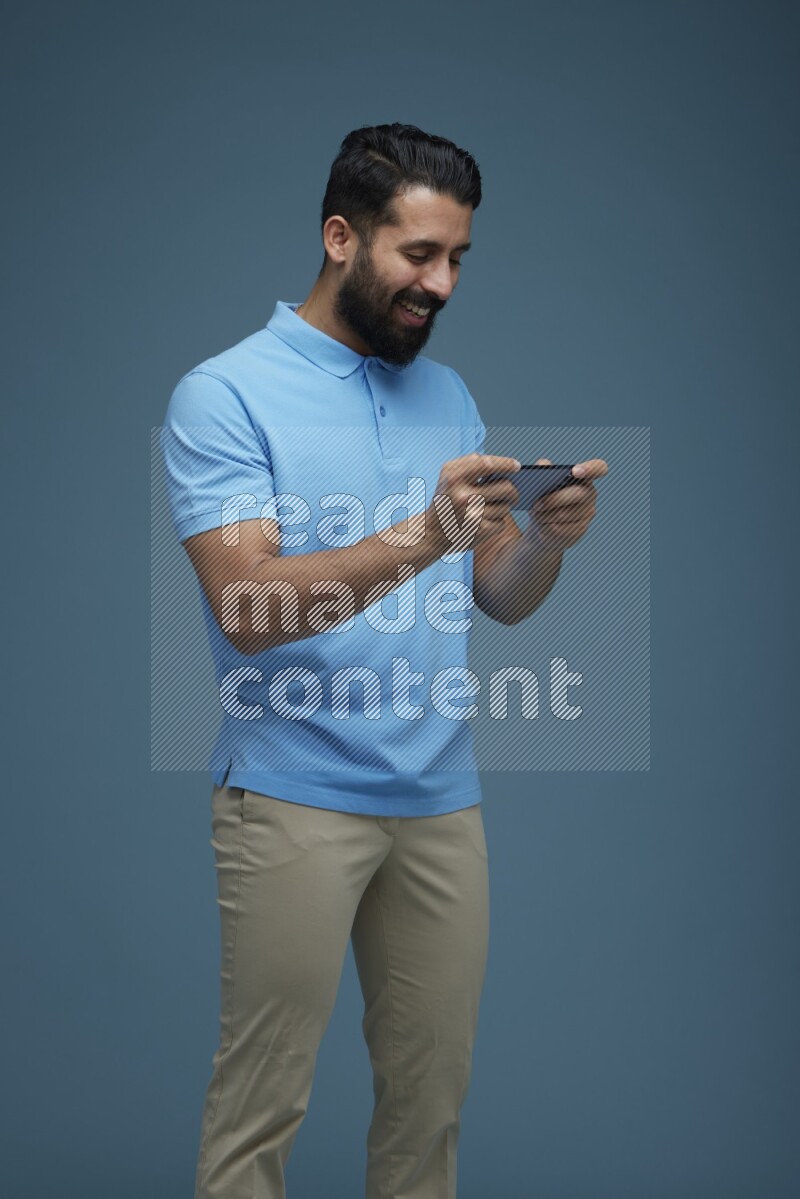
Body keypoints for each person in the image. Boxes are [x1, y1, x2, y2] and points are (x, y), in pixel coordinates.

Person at [161, 122, 607, 1199]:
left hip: (439, 799)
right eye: (417, 254)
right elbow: (248, 605)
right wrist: (420, 534)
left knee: (428, 1106)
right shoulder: (223, 395)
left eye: (456, 258)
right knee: (259, 1111)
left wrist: (539, 540)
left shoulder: (445, 394)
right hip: (289, 795)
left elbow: (493, 596)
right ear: (339, 237)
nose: (440, 282)